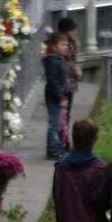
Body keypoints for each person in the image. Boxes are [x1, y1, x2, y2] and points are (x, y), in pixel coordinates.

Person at [43, 32, 71, 160]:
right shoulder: (53, 61)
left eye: (66, 44)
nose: (66, 47)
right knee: (55, 123)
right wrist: (60, 98)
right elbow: (53, 81)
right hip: (54, 97)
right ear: (54, 47)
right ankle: (53, 149)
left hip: (60, 95)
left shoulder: (59, 60)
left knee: (60, 123)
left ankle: (59, 147)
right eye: (62, 44)